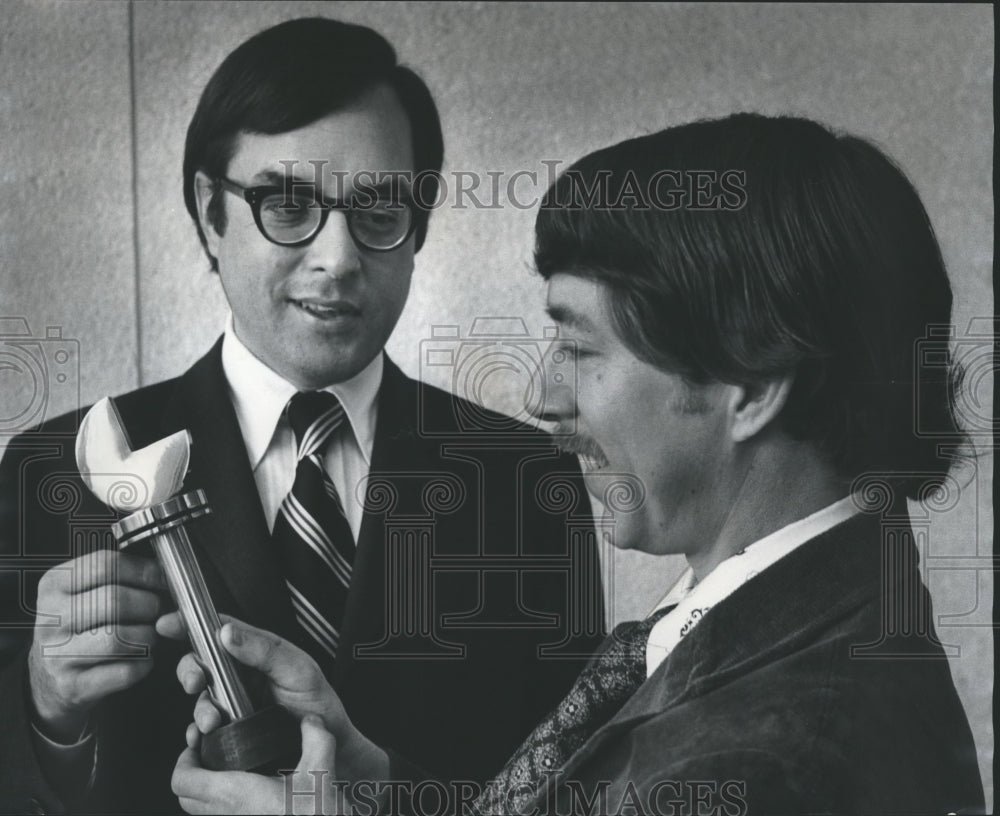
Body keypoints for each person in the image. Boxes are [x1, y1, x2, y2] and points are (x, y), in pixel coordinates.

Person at [168, 113, 985, 815]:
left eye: (580, 347)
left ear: (753, 384)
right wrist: (370, 783)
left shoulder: (769, 762)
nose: (540, 395)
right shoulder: (789, 621)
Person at [0, 17, 602, 814]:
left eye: (379, 213)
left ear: (417, 227)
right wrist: (49, 711)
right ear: (209, 211)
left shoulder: (530, 480)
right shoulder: (51, 471)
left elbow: (577, 787)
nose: (338, 258)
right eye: (287, 206)